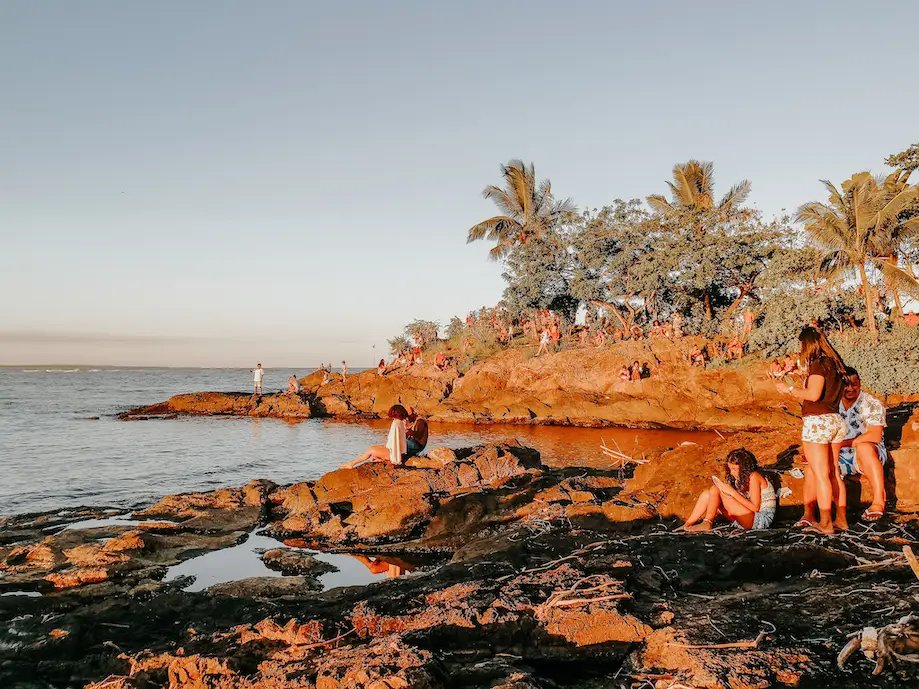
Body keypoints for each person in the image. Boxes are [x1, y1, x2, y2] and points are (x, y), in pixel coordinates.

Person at [775, 326, 847, 534]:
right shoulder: (834, 364)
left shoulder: (818, 363)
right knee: (834, 473)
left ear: (808, 344)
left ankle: (825, 522)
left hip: (818, 423)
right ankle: (840, 519)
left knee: (821, 474)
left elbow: (814, 394)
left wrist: (788, 389)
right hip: (835, 420)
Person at [678, 448, 776, 531]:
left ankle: (707, 522)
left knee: (717, 490)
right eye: (730, 469)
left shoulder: (754, 477)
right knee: (709, 493)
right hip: (745, 518)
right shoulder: (740, 479)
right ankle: (688, 524)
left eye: (735, 469)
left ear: (744, 468)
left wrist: (732, 492)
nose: (732, 473)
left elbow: (755, 508)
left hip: (759, 520)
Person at [837, 367, 888, 521]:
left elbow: (875, 435)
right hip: (839, 453)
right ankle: (810, 515)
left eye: (854, 384)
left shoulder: (871, 403)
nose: (850, 388)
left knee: (865, 446)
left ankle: (879, 501)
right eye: (846, 384)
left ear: (860, 383)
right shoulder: (832, 403)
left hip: (867, 453)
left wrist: (841, 444)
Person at [343, 404, 409, 468]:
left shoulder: (396, 423)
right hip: (397, 452)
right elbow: (394, 440)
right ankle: (382, 460)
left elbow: (395, 442)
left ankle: (352, 464)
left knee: (371, 450)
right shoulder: (400, 422)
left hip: (393, 453)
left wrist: (395, 459)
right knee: (375, 449)